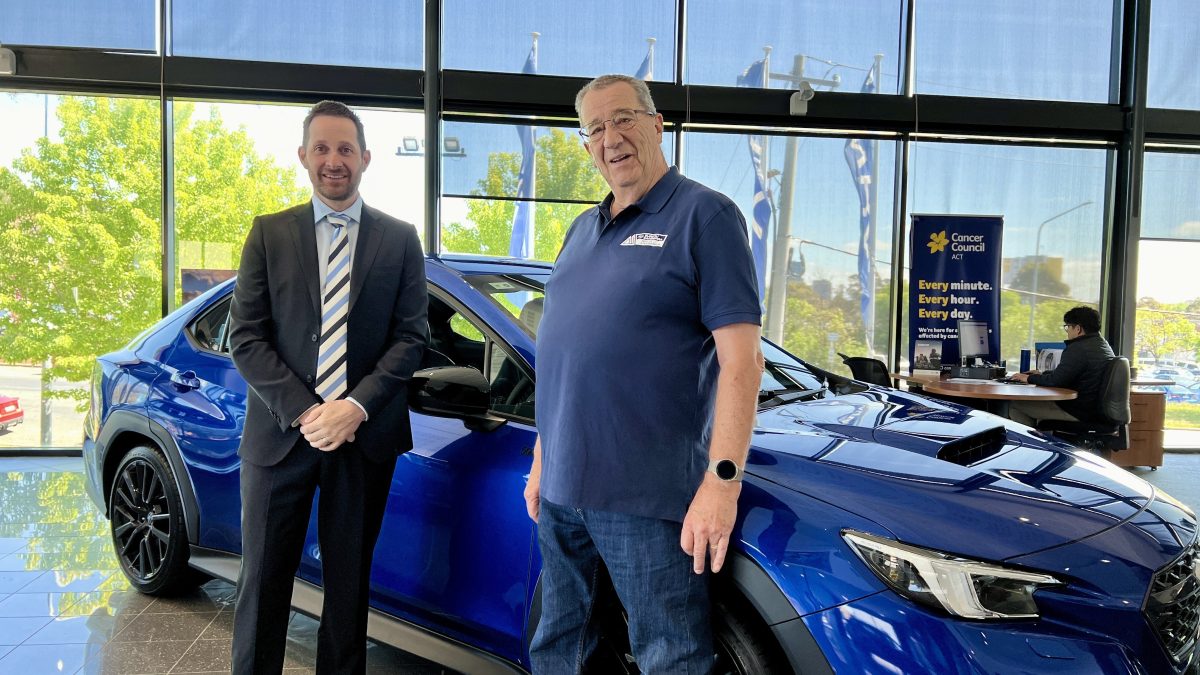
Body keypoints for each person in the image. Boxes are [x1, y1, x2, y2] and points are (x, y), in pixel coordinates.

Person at [524, 74, 764, 673]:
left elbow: (743, 359)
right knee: (560, 646)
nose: (612, 137)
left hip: (647, 498)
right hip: (562, 492)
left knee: (670, 657)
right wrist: (540, 457)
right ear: (587, 148)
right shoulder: (580, 231)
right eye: (596, 128)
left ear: (657, 125)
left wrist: (723, 483)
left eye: (624, 118)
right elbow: (565, 359)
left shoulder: (705, 216)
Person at [227, 100, 427, 674]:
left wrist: (355, 407)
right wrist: (310, 412)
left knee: (348, 592)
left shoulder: (399, 238)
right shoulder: (269, 234)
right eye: (322, 148)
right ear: (302, 156)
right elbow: (247, 338)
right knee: (262, 585)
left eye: (345, 149)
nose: (333, 161)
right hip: (280, 438)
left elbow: (410, 339)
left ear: (365, 158)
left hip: (363, 441)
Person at [1010, 306, 1114, 426]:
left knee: (1015, 405)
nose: (1067, 331)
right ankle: (1044, 438)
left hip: (1078, 411)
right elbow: (1069, 374)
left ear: (1078, 329)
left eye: (1068, 327)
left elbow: (1056, 381)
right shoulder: (1102, 345)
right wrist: (1042, 374)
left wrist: (1027, 378)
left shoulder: (1078, 348)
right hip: (1095, 410)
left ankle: (1035, 444)